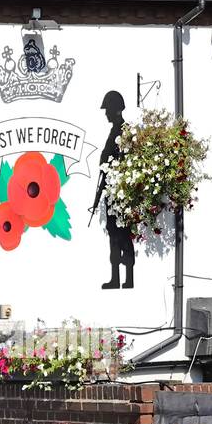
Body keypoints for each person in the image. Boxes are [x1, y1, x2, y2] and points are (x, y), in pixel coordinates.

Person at [94, 90, 134, 289]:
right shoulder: (117, 130)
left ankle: (125, 279)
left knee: (122, 234)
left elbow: (118, 159)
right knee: (117, 234)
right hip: (112, 190)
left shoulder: (122, 130)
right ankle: (118, 278)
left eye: (107, 109)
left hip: (119, 192)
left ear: (114, 109)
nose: (105, 113)